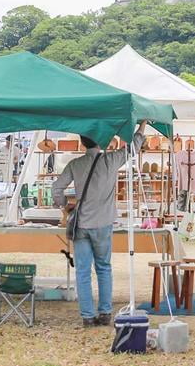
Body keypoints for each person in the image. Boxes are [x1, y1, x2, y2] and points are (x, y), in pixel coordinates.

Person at [55, 120, 148, 326]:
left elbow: (56, 188)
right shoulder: (110, 160)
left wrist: (65, 207)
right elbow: (133, 147)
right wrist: (141, 126)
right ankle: (105, 312)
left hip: (81, 224)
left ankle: (87, 316)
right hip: (104, 222)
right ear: (101, 142)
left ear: (82, 144)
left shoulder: (75, 164)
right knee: (104, 267)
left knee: (82, 271)